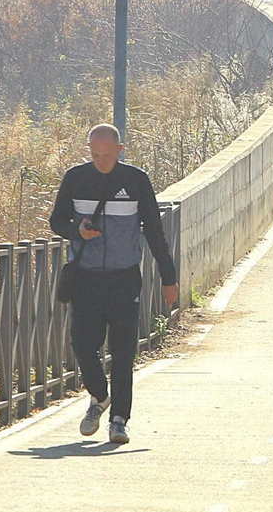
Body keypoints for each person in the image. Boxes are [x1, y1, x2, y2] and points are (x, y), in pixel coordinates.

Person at [49, 123, 178, 444]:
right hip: (86, 276)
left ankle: (119, 420)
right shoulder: (75, 178)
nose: (101, 162)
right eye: (95, 155)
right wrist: (78, 231)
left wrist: (169, 278)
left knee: (123, 352)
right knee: (82, 343)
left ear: (120, 150)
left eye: (107, 155)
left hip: (124, 278)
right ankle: (99, 396)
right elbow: (57, 221)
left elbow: (154, 232)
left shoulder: (135, 181)